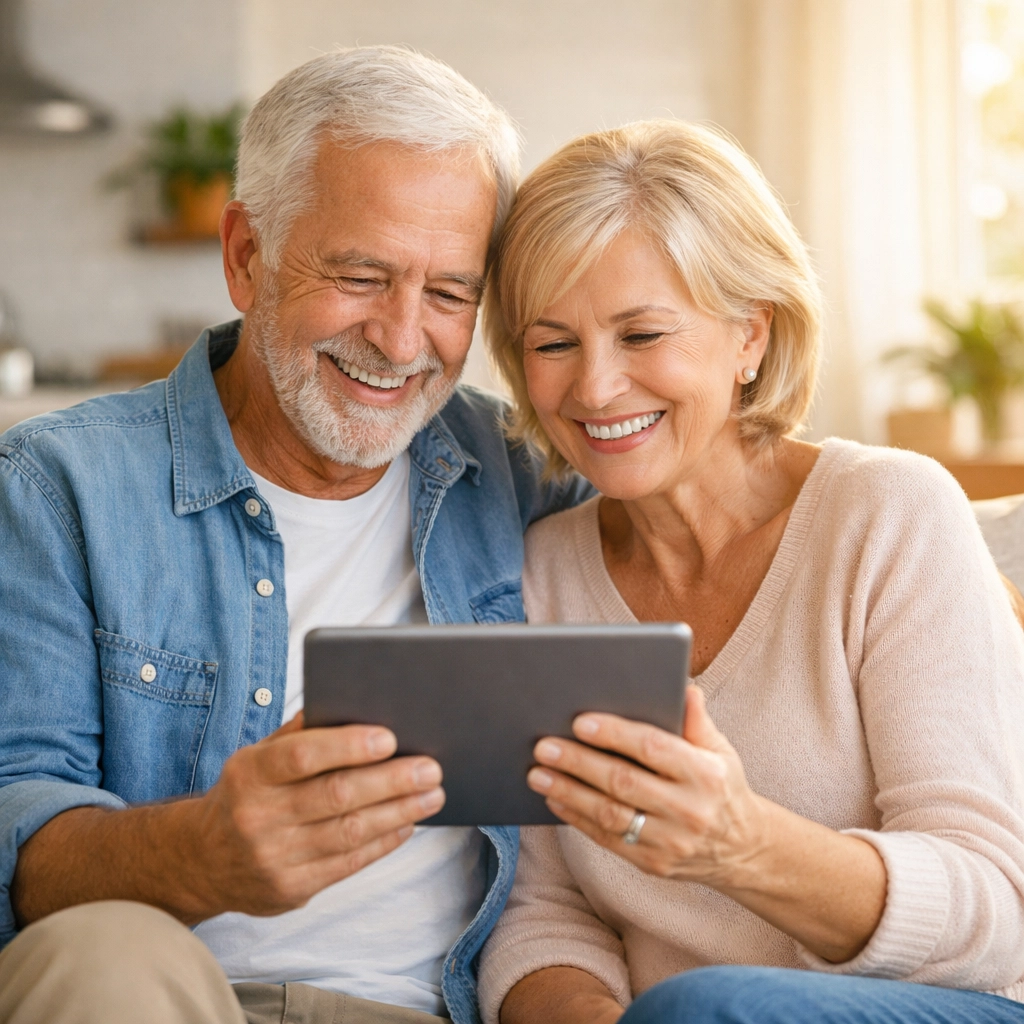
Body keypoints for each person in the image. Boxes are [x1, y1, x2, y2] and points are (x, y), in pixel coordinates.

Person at [0, 47, 591, 1024]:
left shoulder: (528, 472)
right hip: (171, 992)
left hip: (434, 1007)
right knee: (102, 950)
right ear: (245, 255)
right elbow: (13, 824)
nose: (402, 342)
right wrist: (204, 851)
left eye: (448, 294)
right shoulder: (59, 486)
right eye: (361, 275)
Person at [476, 120, 1024, 1024]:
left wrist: (738, 844)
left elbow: (998, 909)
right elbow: (546, 912)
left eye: (642, 333)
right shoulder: (539, 575)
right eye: (552, 343)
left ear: (749, 336)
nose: (595, 388)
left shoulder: (886, 512)